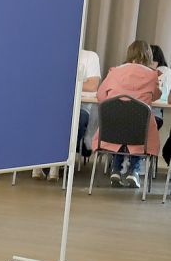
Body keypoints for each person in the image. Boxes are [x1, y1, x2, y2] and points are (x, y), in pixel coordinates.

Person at [94, 40, 160, 189]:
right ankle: (133, 172)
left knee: (120, 131)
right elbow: (155, 95)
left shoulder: (115, 71)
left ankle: (115, 170)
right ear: (148, 55)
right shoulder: (151, 75)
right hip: (139, 127)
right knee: (139, 133)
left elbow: (100, 95)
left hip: (113, 125)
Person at [34, 48, 101, 181]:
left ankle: (56, 163)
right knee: (41, 119)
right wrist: (78, 82)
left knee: (74, 122)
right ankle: (40, 163)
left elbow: (92, 85)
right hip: (52, 104)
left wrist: (62, 83)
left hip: (80, 106)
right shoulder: (52, 54)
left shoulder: (90, 57)